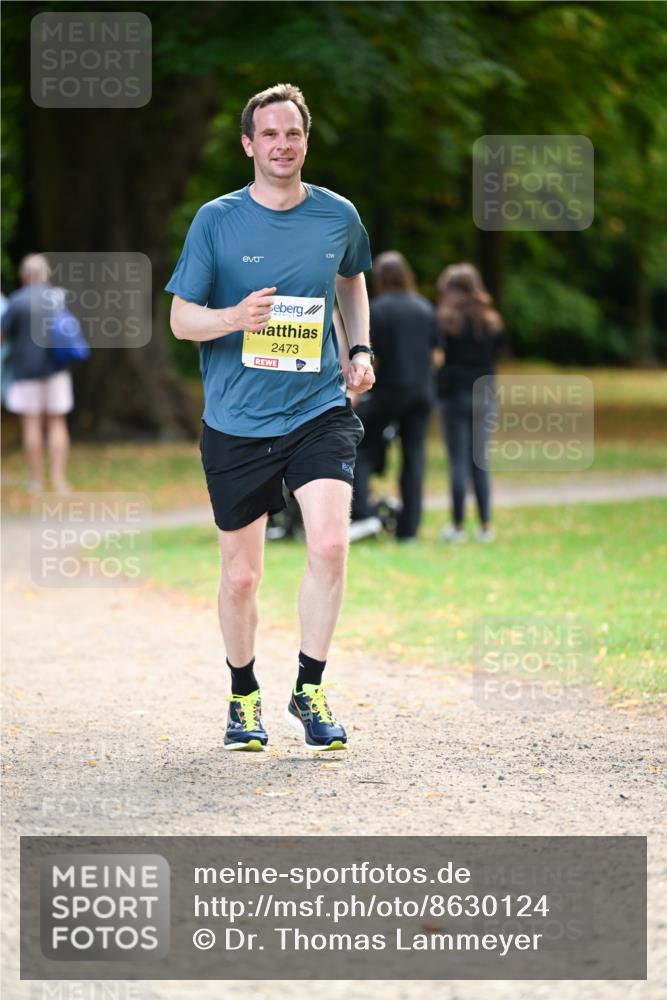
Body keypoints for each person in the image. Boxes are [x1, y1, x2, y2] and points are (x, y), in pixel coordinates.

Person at [165, 83, 375, 752]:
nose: (282, 145)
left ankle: (308, 689)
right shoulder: (216, 220)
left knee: (331, 544)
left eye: (293, 134)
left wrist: (359, 347)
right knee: (242, 575)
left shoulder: (337, 215)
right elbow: (179, 319)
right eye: (270, 135)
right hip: (235, 420)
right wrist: (233, 317)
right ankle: (242, 694)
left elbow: (351, 279)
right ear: (249, 144)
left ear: (304, 140)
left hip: (316, 408)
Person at [351, 251, 439, 541]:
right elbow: (438, 356)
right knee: (414, 460)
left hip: (389, 392)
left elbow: (369, 355)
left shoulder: (377, 309)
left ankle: (362, 514)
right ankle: (408, 531)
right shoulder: (425, 308)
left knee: (358, 444)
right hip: (421, 394)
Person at [435, 262, 503, 543]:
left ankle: (458, 525)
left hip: (454, 394)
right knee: (480, 460)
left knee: (458, 462)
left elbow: (439, 359)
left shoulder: (445, 320)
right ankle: (486, 525)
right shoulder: (491, 321)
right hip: (485, 394)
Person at [1, 254, 74, 494]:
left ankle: (35, 481)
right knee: (57, 423)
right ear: (46, 274)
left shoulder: (16, 301)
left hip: (24, 372)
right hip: (56, 370)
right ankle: (58, 479)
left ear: (24, 275)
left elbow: (3, 335)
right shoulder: (57, 298)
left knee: (31, 424)